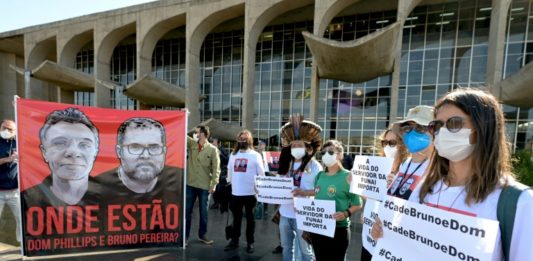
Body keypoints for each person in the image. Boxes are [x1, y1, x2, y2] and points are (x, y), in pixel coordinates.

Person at [373, 89, 533, 260]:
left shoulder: (518, 203)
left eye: (454, 124)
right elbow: (407, 243)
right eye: (437, 126)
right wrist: (387, 234)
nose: (442, 132)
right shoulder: (424, 188)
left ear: (483, 128)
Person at [299, 139, 362, 261]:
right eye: (323, 153)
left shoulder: (348, 177)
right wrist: (304, 207)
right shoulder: (320, 175)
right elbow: (318, 192)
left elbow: (358, 203)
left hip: (338, 230)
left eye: (331, 152)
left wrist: (345, 214)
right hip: (319, 229)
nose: (326, 155)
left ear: (340, 154)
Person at [24, 108, 99, 207]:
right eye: (60, 143)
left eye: (84, 144)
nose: (73, 152)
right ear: (44, 152)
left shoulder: (113, 197)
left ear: (95, 152)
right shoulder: (28, 198)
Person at [95, 117, 183, 200]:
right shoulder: (97, 188)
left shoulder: (179, 181)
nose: (145, 155)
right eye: (135, 147)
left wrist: (183, 117)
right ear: (119, 152)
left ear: (164, 151)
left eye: (154, 147)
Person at [277, 115, 322, 261]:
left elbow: (319, 190)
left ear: (307, 147)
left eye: (300, 145)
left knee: (306, 252)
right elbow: (277, 185)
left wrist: (304, 192)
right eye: (294, 145)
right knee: (286, 248)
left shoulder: (315, 166)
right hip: (284, 213)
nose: (296, 148)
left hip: (304, 215)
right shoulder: (285, 164)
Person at [360, 127, 408, 261]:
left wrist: (396, 188)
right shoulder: (379, 167)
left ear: (403, 145)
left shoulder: (408, 170)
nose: (387, 147)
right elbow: (373, 197)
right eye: (384, 143)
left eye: (392, 143)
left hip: (391, 241)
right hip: (370, 237)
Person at [224, 130, 265, 253]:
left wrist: (259, 188)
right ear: (238, 140)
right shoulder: (233, 155)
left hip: (251, 193)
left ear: (250, 141)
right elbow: (230, 170)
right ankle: (234, 241)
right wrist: (229, 183)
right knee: (236, 219)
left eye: (245, 138)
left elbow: (261, 174)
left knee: (250, 220)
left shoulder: (255, 155)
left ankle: (250, 243)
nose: (243, 140)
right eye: (241, 138)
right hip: (236, 193)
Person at [386, 105, 434, 201]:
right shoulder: (406, 163)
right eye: (407, 128)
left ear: (434, 131)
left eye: (420, 128)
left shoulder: (439, 169)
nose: (412, 133)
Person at [185, 125, 220, 245]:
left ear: (204, 134)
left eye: (197, 132)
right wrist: (185, 115)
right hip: (190, 183)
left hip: (205, 185)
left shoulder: (212, 149)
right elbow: (182, 132)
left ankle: (202, 234)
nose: (195, 134)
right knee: (187, 211)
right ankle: (185, 236)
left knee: (203, 212)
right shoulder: (192, 144)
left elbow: (216, 168)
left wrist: (214, 184)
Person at [0, 119, 21, 243]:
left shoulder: (19, 142)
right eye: (4, 128)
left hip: (15, 191)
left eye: (10, 129)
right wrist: (9, 159)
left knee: (21, 219)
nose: (6, 131)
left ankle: (21, 244)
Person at [210, 137, 229, 211]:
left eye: (214, 142)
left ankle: (223, 204)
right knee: (214, 189)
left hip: (222, 173)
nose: (213, 143)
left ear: (219, 143)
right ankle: (216, 203)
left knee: (221, 189)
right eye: (212, 142)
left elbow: (227, 160)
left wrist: (221, 154)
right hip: (214, 172)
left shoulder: (223, 150)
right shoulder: (211, 150)